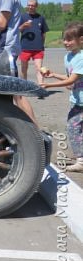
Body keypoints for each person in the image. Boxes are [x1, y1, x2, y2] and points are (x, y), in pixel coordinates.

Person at [41, 22, 83, 172]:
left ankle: (81, 161)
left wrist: (49, 86)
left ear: (81, 40)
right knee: (77, 128)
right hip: (77, 101)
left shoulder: (81, 57)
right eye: (64, 39)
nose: (66, 42)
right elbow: (69, 78)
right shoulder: (68, 57)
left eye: (70, 39)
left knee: (73, 128)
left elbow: (71, 80)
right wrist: (53, 75)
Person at [19, 0, 49, 84]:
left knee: (38, 68)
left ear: (36, 6)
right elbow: (17, 30)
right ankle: (24, 86)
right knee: (24, 68)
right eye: (29, 5)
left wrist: (42, 45)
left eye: (32, 5)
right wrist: (23, 26)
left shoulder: (41, 18)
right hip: (25, 47)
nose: (30, 7)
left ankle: (41, 87)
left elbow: (43, 33)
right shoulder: (22, 17)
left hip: (38, 48)